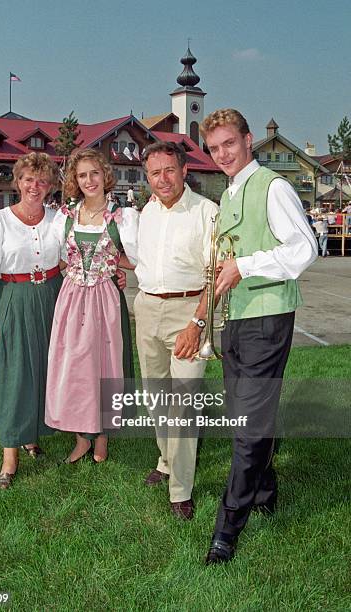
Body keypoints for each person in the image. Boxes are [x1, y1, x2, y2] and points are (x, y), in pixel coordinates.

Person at [199, 109, 318, 563]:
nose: (223, 154)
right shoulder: (231, 191)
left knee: (248, 428)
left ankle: (228, 527)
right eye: (214, 148)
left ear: (249, 140)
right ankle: (265, 489)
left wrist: (244, 266)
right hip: (239, 317)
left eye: (230, 143)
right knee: (244, 418)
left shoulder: (273, 186)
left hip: (268, 318)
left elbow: (303, 249)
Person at [134, 141, 218, 520]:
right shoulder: (145, 213)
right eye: (155, 173)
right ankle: (166, 461)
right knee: (156, 397)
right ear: (147, 176)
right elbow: (141, 262)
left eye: (170, 170)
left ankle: (180, 489)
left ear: (184, 170)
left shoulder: (207, 213)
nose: (163, 179)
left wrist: (197, 323)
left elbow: (216, 277)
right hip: (147, 307)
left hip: (189, 312)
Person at [0, 152, 63, 489]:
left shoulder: (58, 218)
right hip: (13, 296)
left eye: (42, 180)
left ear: (50, 185)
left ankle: (32, 433)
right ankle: (9, 455)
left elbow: (80, 256)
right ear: (18, 182)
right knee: (15, 372)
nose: (34, 186)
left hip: (53, 296)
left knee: (45, 368)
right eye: (28, 179)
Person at [45, 149, 138, 463]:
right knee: (74, 366)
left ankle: (101, 436)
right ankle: (80, 436)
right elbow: (54, 254)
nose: (89, 181)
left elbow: (137, 259)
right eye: (82, 175)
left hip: (104, 299)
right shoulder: (65, 215)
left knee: (104, 364)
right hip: (72, 298)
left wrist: (117, 269)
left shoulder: (122, 216)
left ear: (105, 175)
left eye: (94, 173)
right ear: (75, 179)